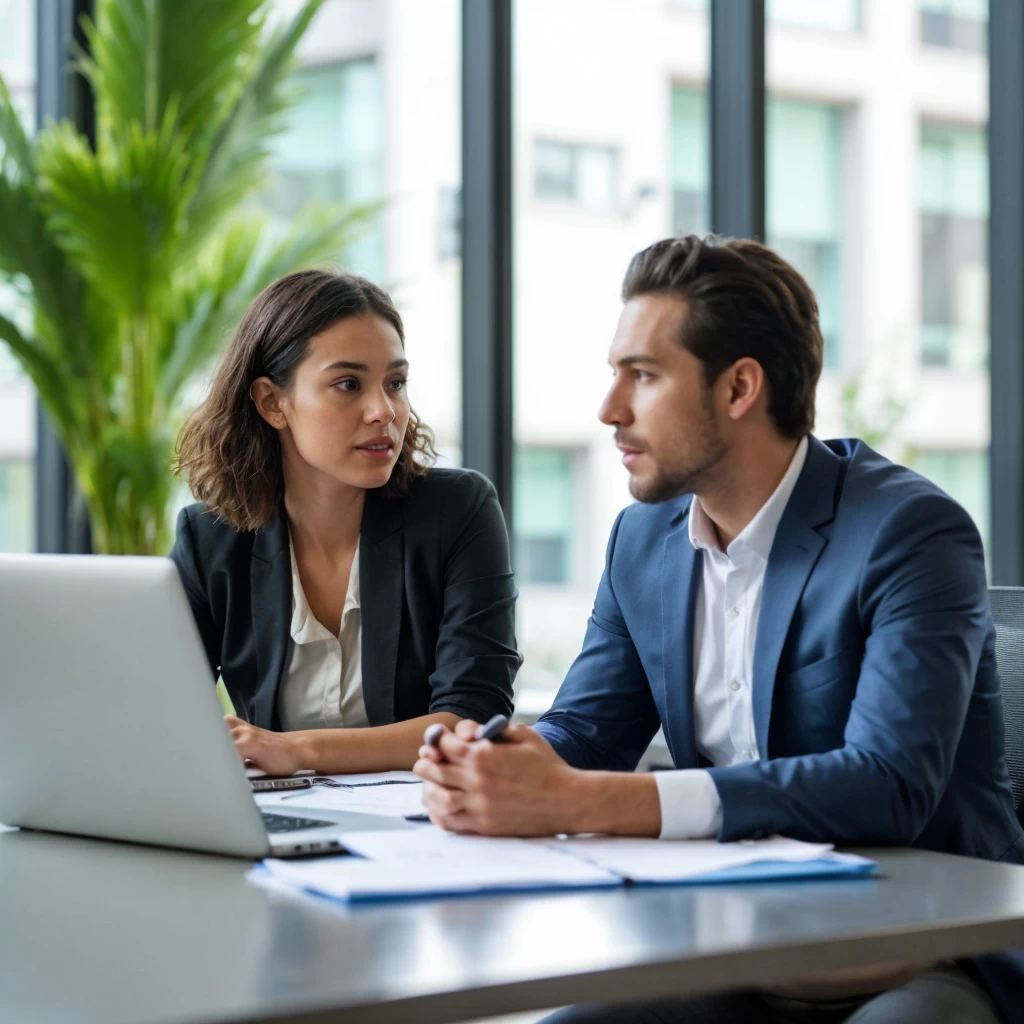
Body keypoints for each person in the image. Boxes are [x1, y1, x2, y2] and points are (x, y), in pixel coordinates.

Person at [414, 236, 1024, 1023]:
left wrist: (582, 801)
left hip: (924, 945)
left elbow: (888, 783)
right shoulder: (644, 541)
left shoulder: (909, 531)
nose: (609, 410)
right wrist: (493, 764)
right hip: (737, 938)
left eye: (644, 375)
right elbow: (590, 730)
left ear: (739, 388)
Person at [170, 269, 519, 776]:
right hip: (277, 818)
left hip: (428, 822)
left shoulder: (457, 510)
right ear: (273, 403)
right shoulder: (210, 540)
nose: (384, 411)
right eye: (348, 384)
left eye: (395, 383)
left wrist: (298, 751)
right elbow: (165, 714)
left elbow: (472, 715)